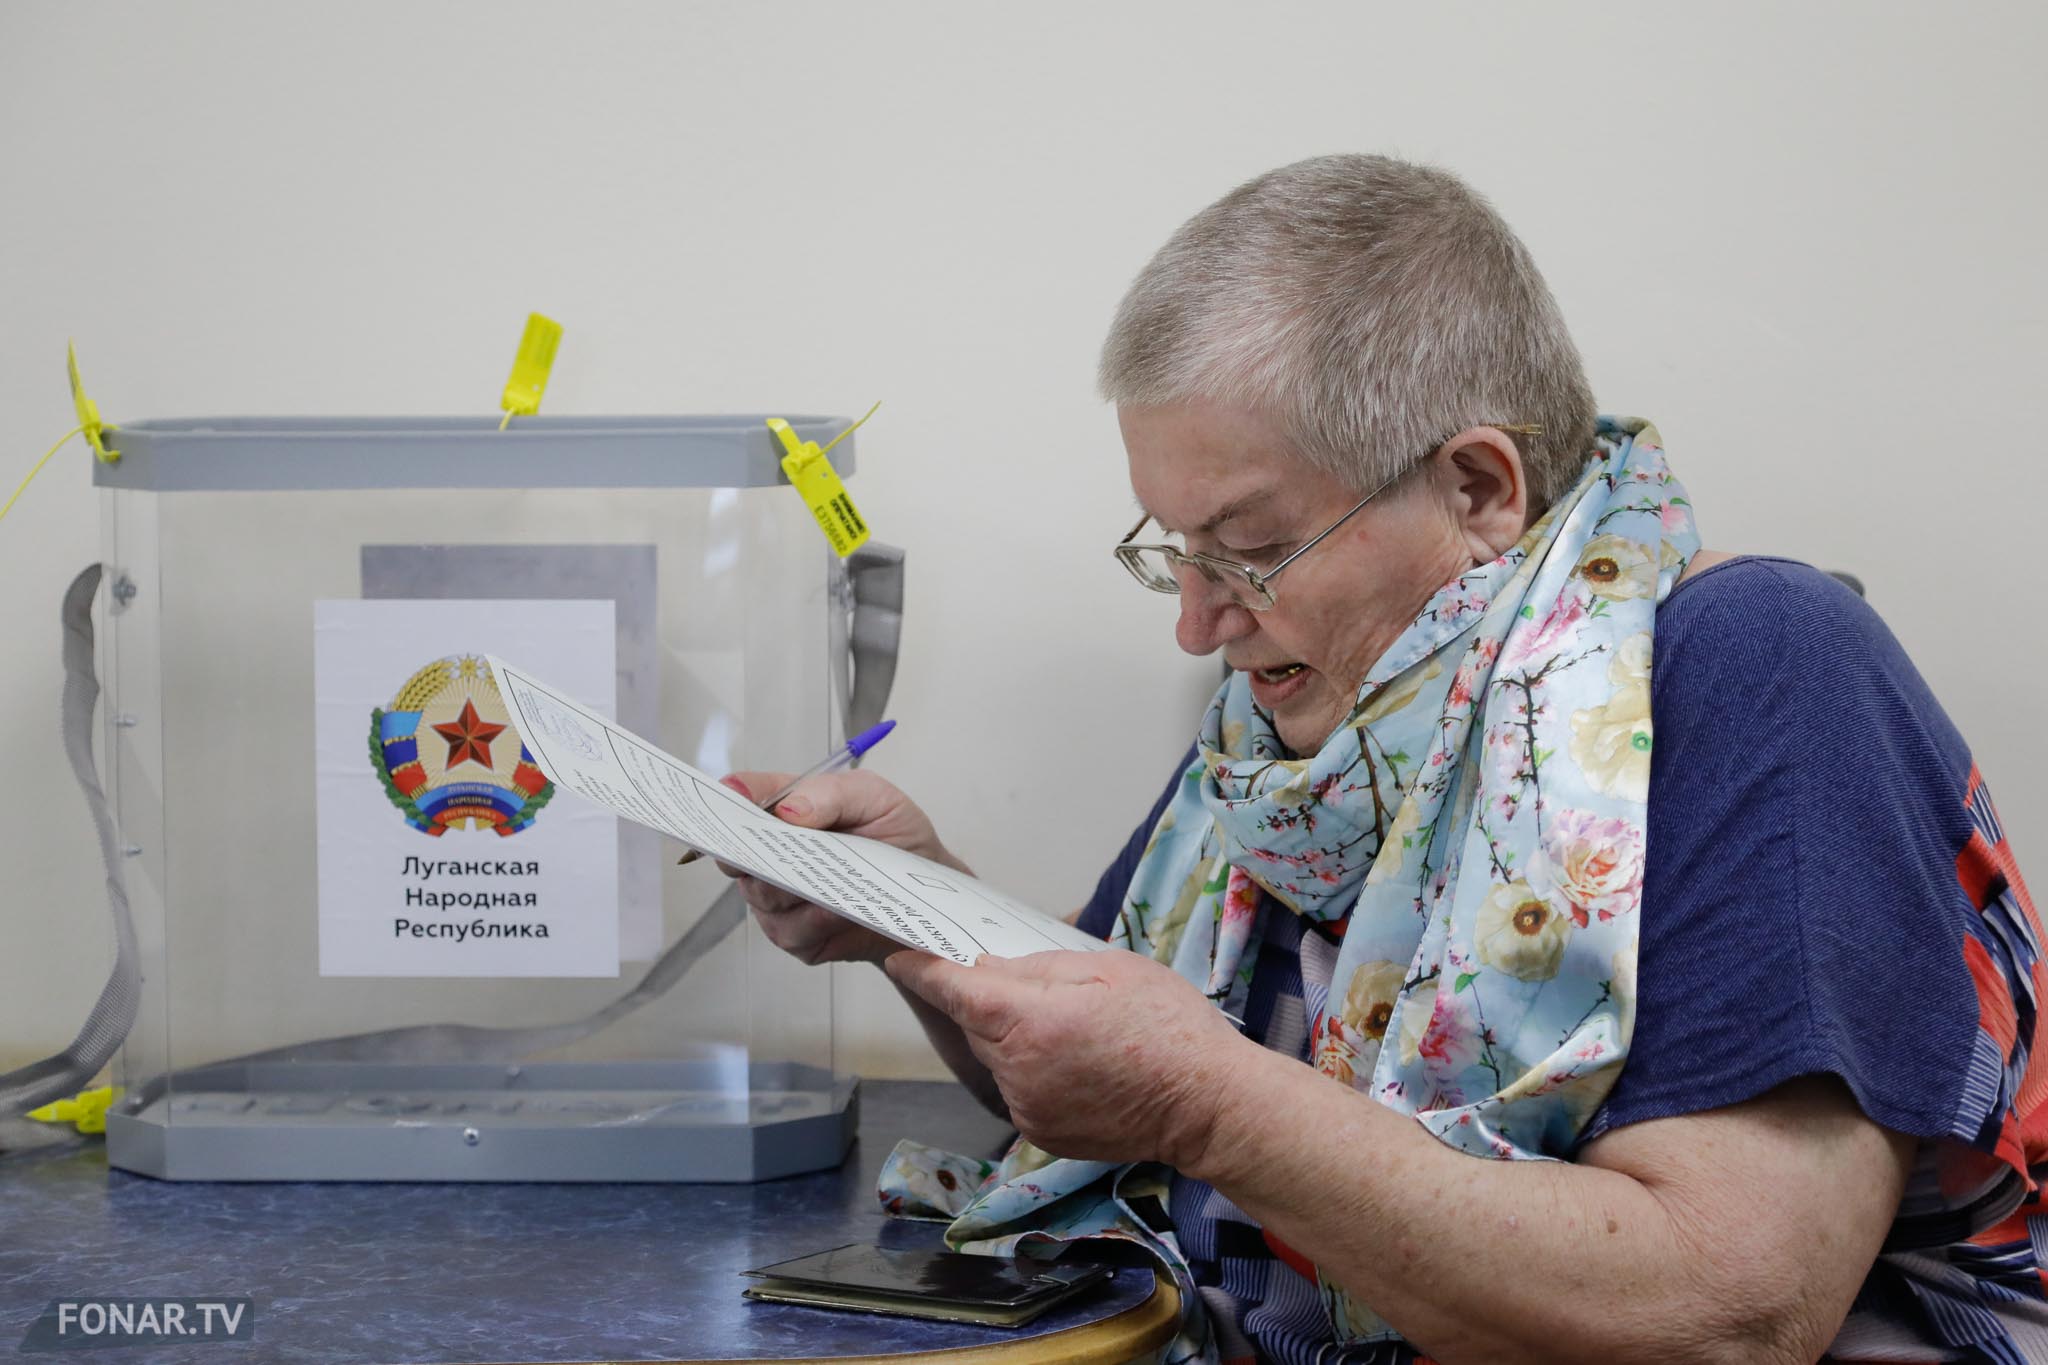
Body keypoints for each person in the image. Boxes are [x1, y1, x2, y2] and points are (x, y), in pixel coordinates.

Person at [722, 155, 2043, 1364]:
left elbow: (1734, 1312)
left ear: (1478, 489)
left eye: (1246, 547)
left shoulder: (1758, 659)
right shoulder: (1311, 719)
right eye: (1176, 552)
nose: (1197, 620)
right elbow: (1108, 1064)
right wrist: (915, 914)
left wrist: (1209, 1106)